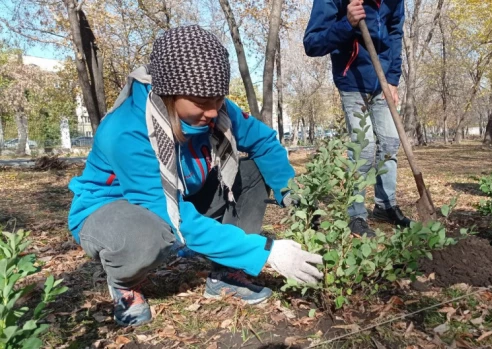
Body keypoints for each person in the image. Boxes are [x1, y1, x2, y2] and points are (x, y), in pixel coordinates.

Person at [68, 25, 323, 327]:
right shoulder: (126, 130)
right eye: (203, 103)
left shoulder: (215, 109)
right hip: (113, 211)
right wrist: (266, 252)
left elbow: (264, 142)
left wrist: (289, 191)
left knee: (251, 173)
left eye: (218, 100)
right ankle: (125, 283)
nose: (214, 112)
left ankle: (226, 272)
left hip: (179, 194)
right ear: (169, 94)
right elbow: (170, 214)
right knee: (146, 235)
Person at [303, 0, 412, 237]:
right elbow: (312, 44)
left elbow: (395, 33)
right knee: (364, 147)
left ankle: (385, 206)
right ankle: (356, 215)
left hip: (383, 81)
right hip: (352, 81)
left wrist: (393, 79)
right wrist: (347, 23)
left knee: (390, 142)